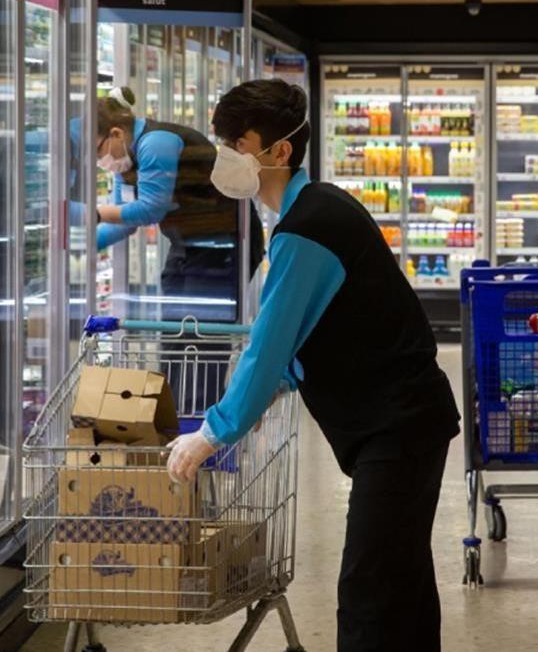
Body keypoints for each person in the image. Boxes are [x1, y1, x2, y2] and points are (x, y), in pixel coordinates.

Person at [164, 78, 460, 651]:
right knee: (402, 581)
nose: (225, 153)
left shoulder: (307, 231)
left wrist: (212, 433)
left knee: (370, 589)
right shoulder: (313, 209)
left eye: (237, 142)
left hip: (397, 427)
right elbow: (300, 339)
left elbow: (270, 344)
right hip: (406, 421)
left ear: (279, 152)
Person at [87, 87, 265, 321]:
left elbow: (151, 209)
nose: (99, 161)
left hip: (224, 242)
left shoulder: (156, 143)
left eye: (98, 151)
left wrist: (93, 214)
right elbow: (125, 221)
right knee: (174, 329)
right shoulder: (125, 161)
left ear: (116, 134)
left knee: (202, 334)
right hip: (188, 244)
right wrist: (85, 243)